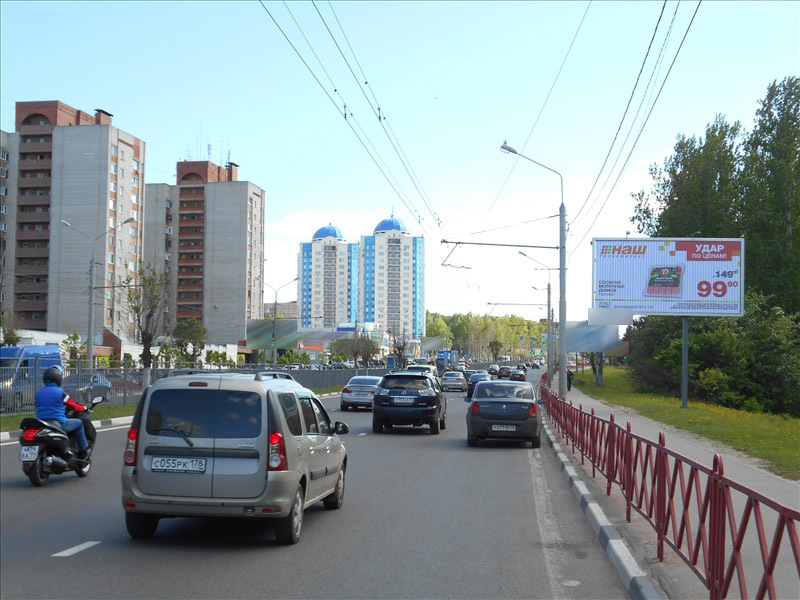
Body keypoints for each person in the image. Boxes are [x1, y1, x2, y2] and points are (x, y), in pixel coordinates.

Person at [34, 366, 90, 459]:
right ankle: (83, 450)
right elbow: (73, 406)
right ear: (58, 379)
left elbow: (37, 405)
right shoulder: (60, 392)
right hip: (59, 423)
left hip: (42, 423)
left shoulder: (38, 393)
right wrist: (84, 408)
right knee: (79, 423)